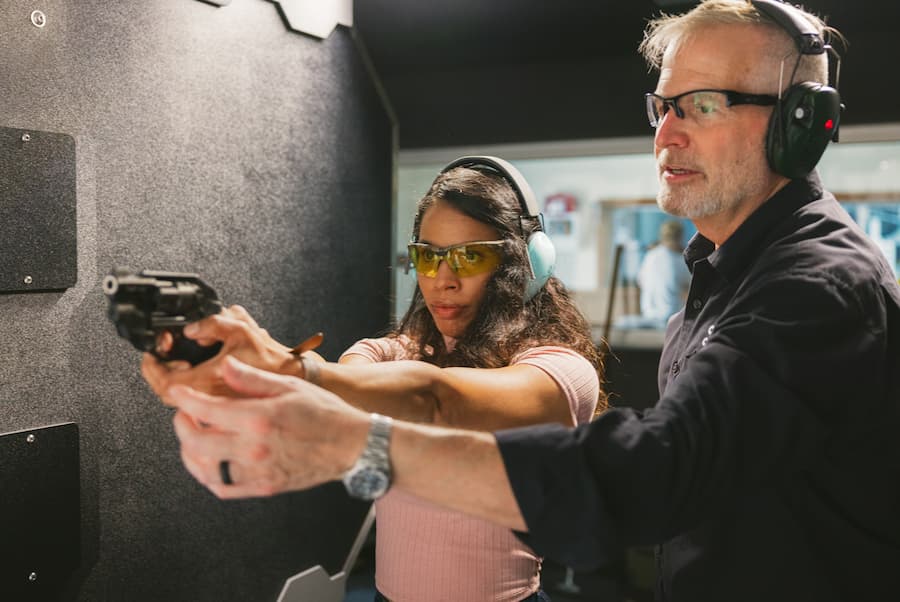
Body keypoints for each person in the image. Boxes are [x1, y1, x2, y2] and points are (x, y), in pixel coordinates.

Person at [158, 1, 900, 600]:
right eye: (663, 106)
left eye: (703, 105)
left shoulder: (815, 285)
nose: (666, 135)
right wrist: (282, 370)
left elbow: (657, 475)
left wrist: (347, 439)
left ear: (802, 123)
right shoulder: (719, 283)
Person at [143, 158, 606, 602]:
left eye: (469, 257)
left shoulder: (561, 370)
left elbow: (434, 399)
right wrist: (227, 370)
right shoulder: (391, 353)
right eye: (428, 257)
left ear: (525, 265)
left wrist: (299, 370)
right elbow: (344, 390)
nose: (442, 280)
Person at [636, 220, 690, 327]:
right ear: (680, 237)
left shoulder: (650, 255)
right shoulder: (680, 260)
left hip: (648, 313)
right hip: (671, 316)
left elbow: (640, 281)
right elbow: (690, 286)